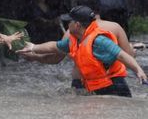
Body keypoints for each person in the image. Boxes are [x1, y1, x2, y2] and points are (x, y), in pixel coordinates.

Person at [17, 5, 147, 97]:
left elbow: (123, 56)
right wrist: (33, 47)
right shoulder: (74, 40)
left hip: (115, 86)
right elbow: (53, 46)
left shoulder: (99, 41)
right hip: (94, 85)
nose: (67, 25)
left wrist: (138, 70)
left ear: (77, 25)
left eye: (70, 22)